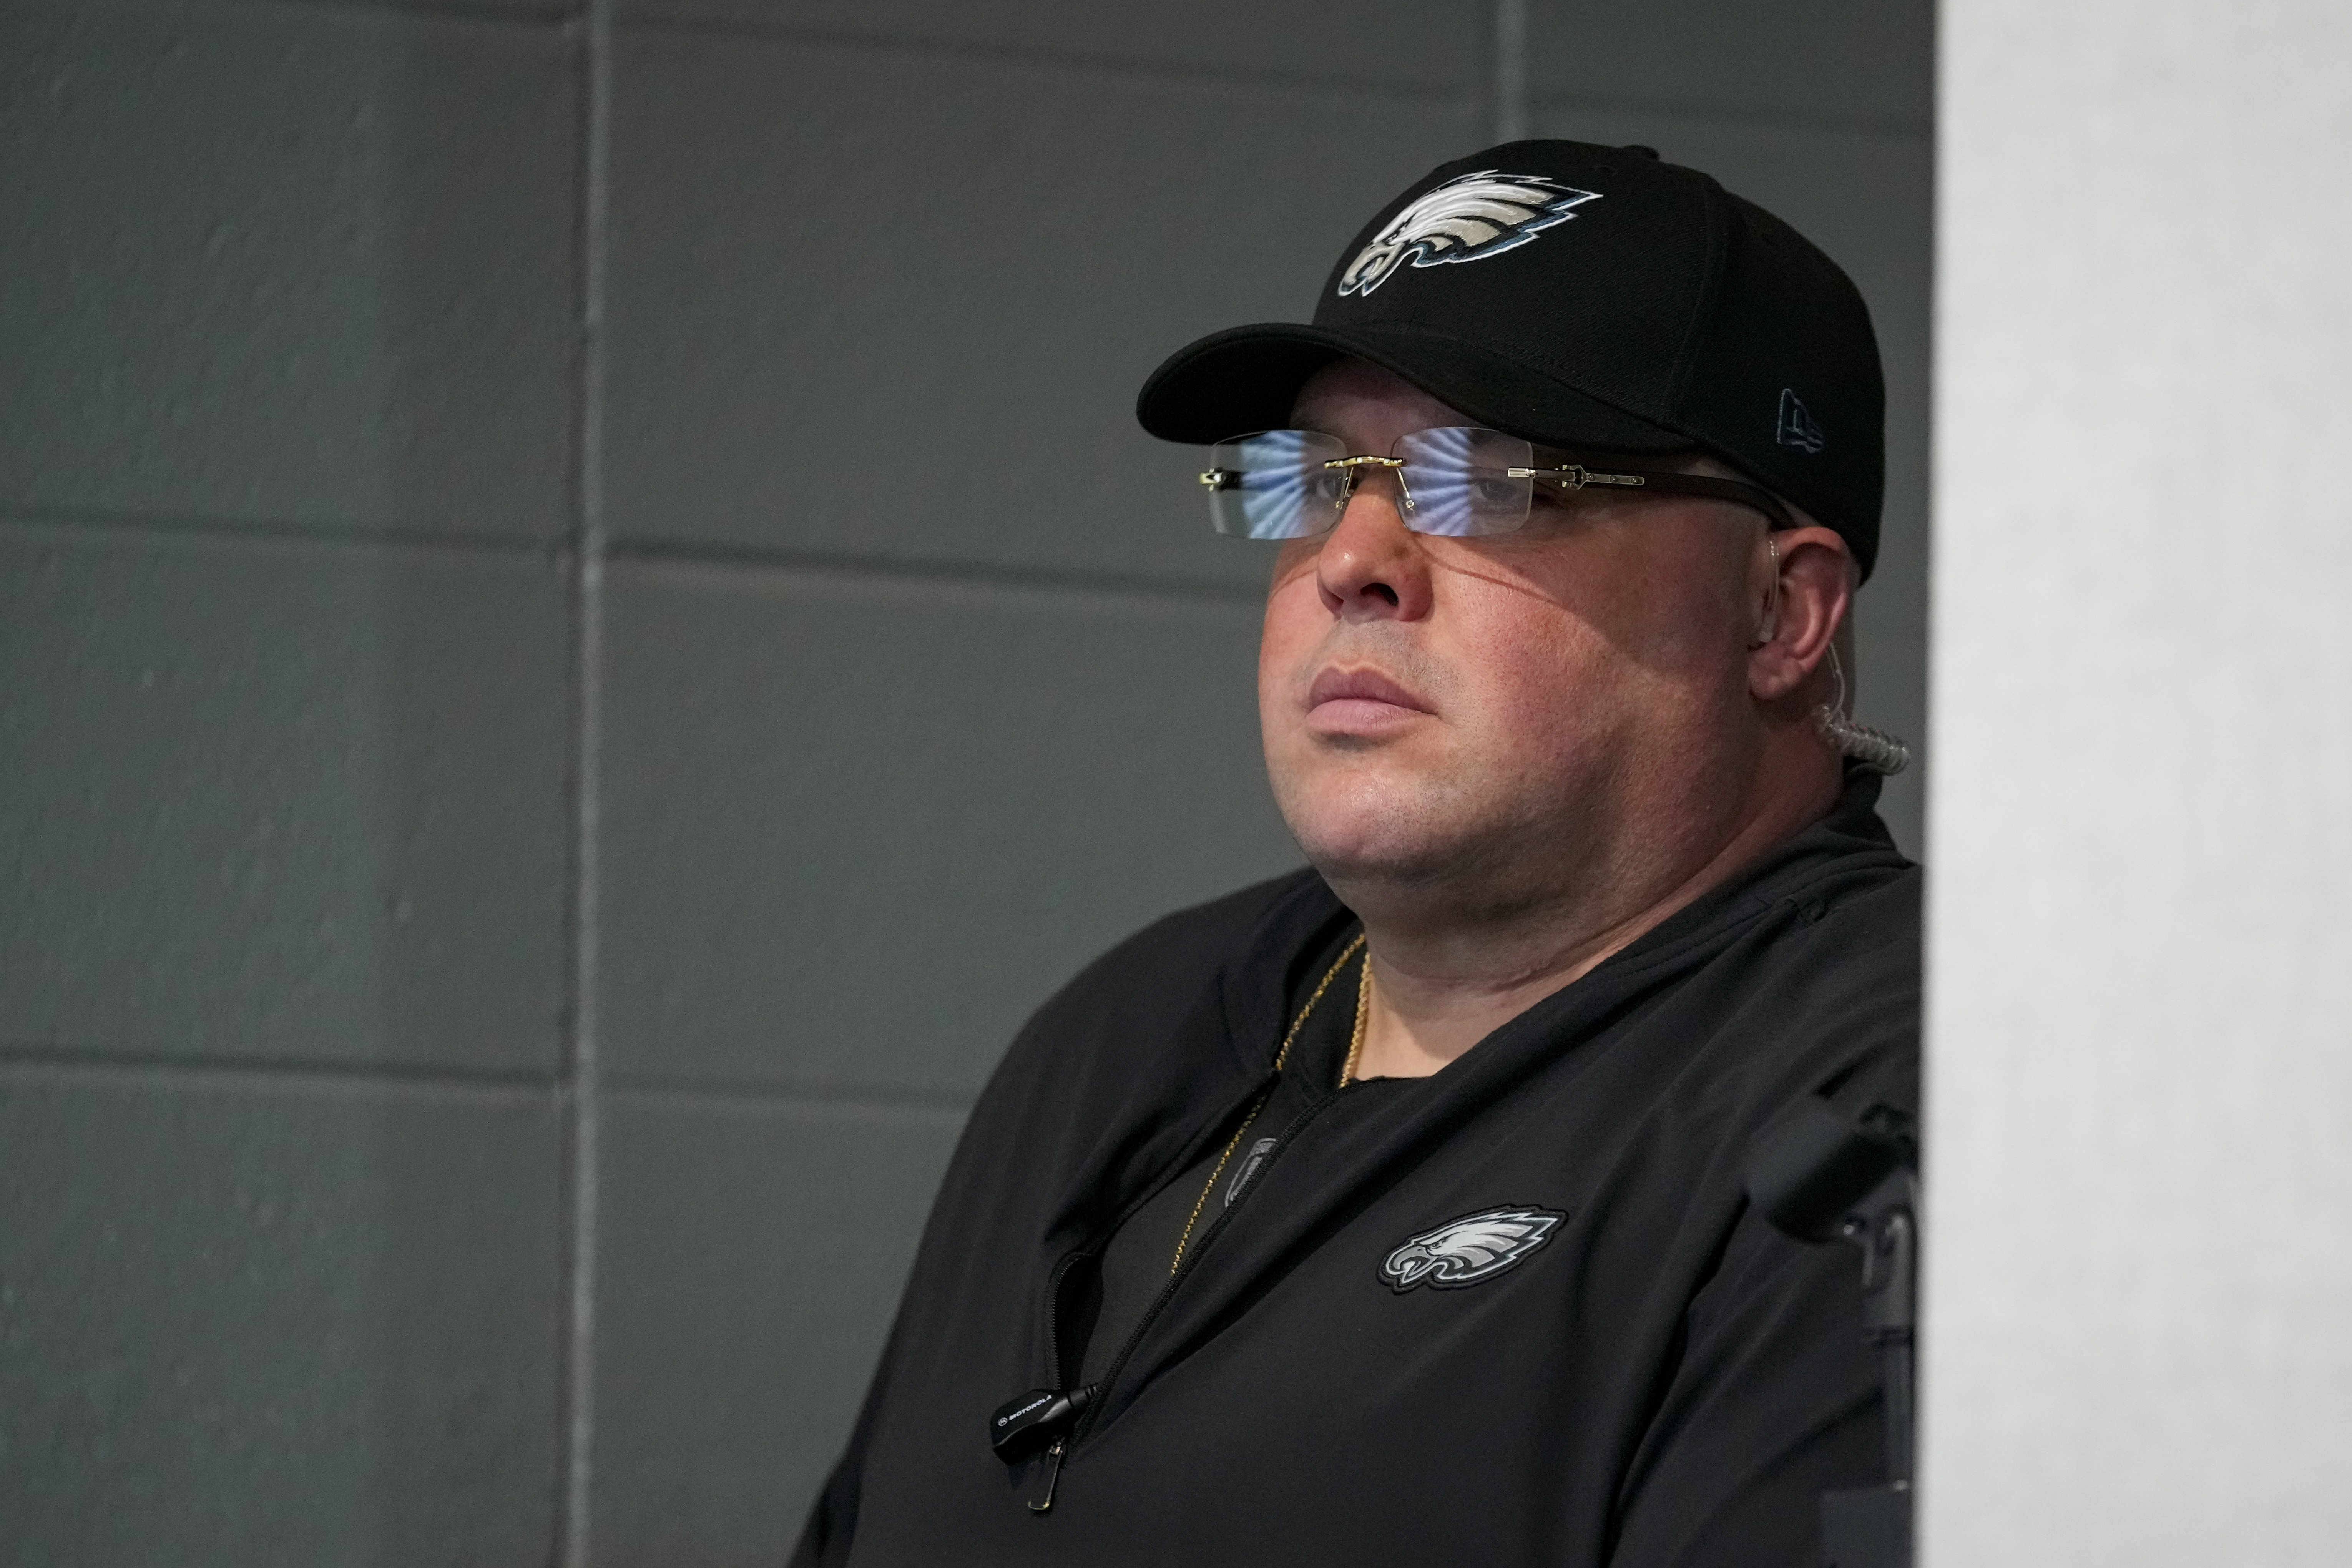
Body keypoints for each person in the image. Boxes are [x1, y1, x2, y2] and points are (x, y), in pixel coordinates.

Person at [792, 140, 1919, 1567]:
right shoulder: (1118, 1038)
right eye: (1321, 479)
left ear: (1779, 615)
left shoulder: (1897, 1100)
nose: (1352, 557)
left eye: (1491, 477)